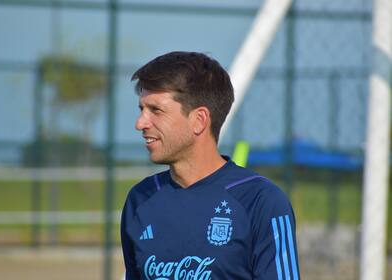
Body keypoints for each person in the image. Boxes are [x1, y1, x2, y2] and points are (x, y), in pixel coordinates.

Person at [120, 51, 300, 280]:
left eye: (156, 110)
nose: (140, 123)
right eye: (141, 109)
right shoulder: (141, 198)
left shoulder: (261, 201)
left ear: (199, 120)